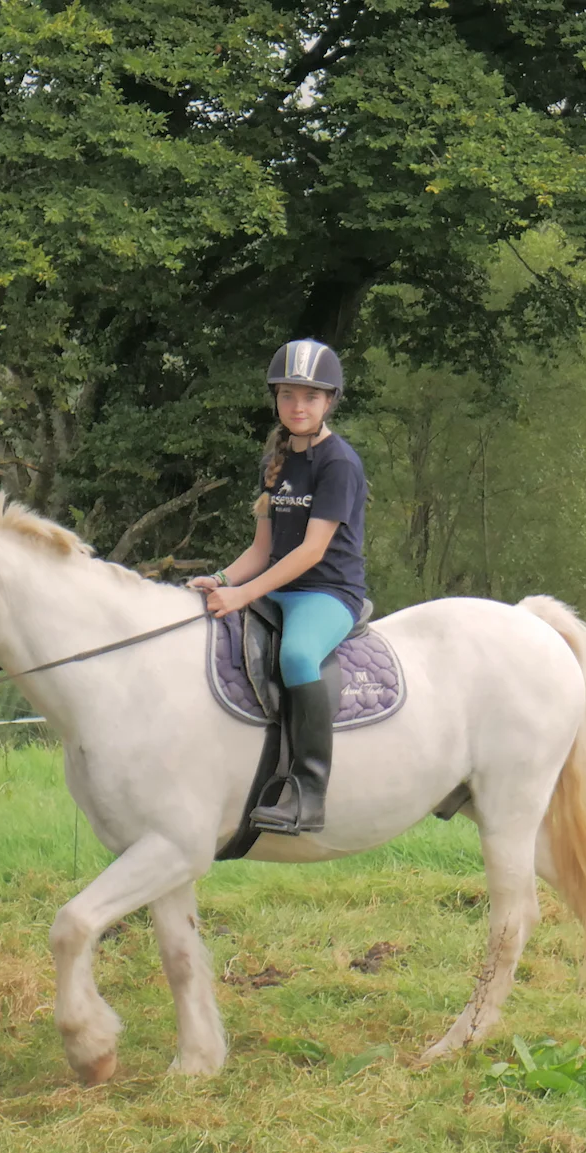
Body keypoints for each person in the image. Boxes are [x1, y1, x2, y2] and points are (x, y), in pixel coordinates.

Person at [189, 339, 371, 835]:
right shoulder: (277, 460)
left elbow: (312, 551)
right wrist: (224, 579)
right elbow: (262, 549)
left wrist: (244, 595)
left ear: (329, 401)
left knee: (295, 657)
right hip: (277, 587)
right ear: (277, 399)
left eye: (310, 397)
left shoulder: (339, 463)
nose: (298, 406)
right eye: (289, 395)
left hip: (327, 592)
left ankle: (309, 792)